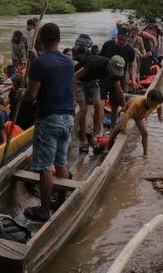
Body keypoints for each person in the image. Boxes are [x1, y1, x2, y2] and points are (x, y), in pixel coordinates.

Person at [18, 23, 74, 222]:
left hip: (49, 118)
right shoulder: (68, 62)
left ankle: (43, 209)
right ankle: (59, 200)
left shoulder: (40, 64)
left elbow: (32, 95)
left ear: (40, 40)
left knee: (45, 166)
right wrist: (36, 60)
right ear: (58, 40)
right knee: (62, 161)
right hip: (68, 117)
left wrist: (21, 94)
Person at [73, 53, 125, 151]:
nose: (114, 74)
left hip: (93, 81)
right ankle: (83, 138)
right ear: (109, 65)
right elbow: (74, 77)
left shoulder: (115, 73)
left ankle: (94, 136)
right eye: (113, 71)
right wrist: (73, 97)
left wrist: (125, 107)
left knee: (98, 104)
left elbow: (118, 90)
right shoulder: (95, 64)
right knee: (83, 109)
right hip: (79, 81)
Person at [107, 88, 163, 155]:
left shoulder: (156, 104)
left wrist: (160, 115)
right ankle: (108, 146)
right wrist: (124, 128)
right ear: (148, 100)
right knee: (119, 127)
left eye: (157, 104)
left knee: (145, 133)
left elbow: (160, 106)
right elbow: (127, 115)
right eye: (155, 104)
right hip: (127, 111)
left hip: (139, 116)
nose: (155, 106)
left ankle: (145, 154)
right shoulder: (137, 103)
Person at [100, 26, 137, 121]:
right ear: (117, 37)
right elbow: (99, 59)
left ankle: (112, 126)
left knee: (115, 105)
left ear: (128, 38)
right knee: (100, 102)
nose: (121, 41)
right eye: (120, 39)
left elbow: (131, 67)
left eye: (124, 40)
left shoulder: (130, 51)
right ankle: (99, 127)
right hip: (104, 76)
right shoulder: (108, 45)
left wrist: (133, 80)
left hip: (118, 79)